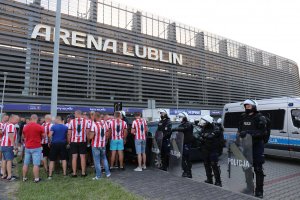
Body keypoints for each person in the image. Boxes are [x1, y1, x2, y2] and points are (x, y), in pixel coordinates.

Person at [238, 99, 267, 198]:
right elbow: (240, 130)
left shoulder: (260, 118)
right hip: (246, 146)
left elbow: (263, 133)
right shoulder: (243, 117)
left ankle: (259, 192)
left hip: (257, 146)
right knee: (247, 169)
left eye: (249, 106)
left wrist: (248, 133)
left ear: (254, 107)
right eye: (245, 106)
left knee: (258, 169)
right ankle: (249, 188)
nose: (247, 108)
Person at [200, 115, 222, 187]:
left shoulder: (216, 128)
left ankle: (218, 182)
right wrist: (202, 137)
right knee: (206, 165)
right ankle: (209, 179)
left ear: (208, 122)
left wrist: (206, 135)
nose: (203, 123)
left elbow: (212, 135)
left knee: (214, 165)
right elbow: (201, 135)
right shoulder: (203, 128)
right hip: (205, 149)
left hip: (213, 150)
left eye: (204, 122)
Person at [22, 114, 45, 183]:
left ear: (31, 119)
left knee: (26, 163)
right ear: (36, 119)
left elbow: (23, 137)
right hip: (36, 146)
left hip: (27, 146)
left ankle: (24, 178)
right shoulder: (39, 127)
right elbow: (44, 136)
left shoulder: (25, 127)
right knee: (36, 164)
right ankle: (36, 179)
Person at [68, 110, 90, 177]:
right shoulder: (86, 121)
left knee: (74, 157)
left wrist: (69, 142)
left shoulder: (72, 121)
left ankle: (74, 173)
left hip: (74, 141)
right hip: (82, 141)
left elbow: (69, 133)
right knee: (82, 157)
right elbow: (87, 133)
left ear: (76, 114)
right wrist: (88, 142)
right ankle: (83, 173)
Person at [171, 112, 194, 178]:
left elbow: (184, 128)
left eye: (181, 117)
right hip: (182, 143)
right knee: (183, 158)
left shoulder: (188, 124)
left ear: (185, 117)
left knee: (187, 158)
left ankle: (189, 172)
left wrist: (175, 129)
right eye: (179, 117)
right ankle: (185, 171)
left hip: (187, 143)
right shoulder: (182, 124)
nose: (180, 118)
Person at [88, 112, 111, 180]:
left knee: (97, 161)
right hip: (103, 144)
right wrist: (106, 140)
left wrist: (89, 135)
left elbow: (91, 136)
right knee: (104, 158)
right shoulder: (104, 123)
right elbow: (108, 133)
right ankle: (108, 173)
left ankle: (98, 176)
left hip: (95, 145)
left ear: (95, 117)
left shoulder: (94, 124)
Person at [1, 115, 19, 181]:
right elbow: (11, 136)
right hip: (8, 145)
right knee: (9, 160)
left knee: (4, 160)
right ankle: (9, 176)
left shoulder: (5, 124)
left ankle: (4, 174)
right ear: (12, 119)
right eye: (17, 120)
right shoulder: (11, 125)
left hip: (3, 144)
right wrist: (14, 146)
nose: (17, 121)